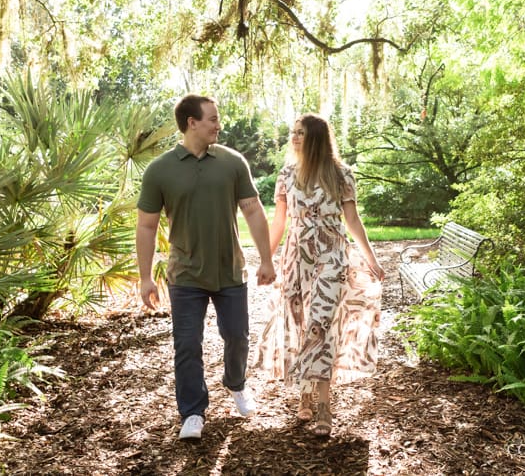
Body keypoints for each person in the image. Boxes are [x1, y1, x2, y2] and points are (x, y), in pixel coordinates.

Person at [136, 94, 276, 441]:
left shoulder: (232, 162)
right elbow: (146, 226)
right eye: (212, 119)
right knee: (186, 344)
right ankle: (193, 412)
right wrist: (144, 277)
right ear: (191, 123)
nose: (218, 124)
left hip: (230, 271)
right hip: (184, 274)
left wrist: (266, 258)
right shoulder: (160, 170)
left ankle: (236, 384)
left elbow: (254, 210)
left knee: (237, 337)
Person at [255, 113, 384, 437]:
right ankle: (305, 393)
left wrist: (371, 257)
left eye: (300, 133)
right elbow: (279, 223)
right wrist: (265, 260)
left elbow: (352, 221)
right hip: (296, 259)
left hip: (331, 257)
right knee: (301, 324)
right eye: (293, 132)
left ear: (316, 137)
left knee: (320, 325)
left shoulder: (341, 174)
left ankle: (324, 405)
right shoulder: (287, 175)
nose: (294, 137)